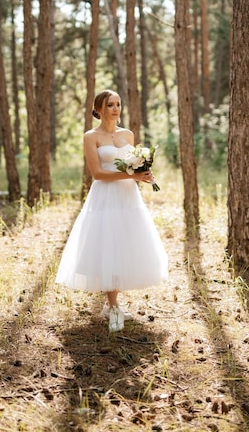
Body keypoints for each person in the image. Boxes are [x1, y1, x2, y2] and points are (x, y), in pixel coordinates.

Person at [55, 89, 168, 332]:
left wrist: (144, 175)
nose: (115, 109)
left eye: (118, 104)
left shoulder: (128, 134)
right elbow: (97, 173)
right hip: (105, 195)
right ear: (100, 109)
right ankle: (113, 306)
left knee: (125, 244)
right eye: (110, 105)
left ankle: (113, 304)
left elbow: (133, 163)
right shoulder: (91, 136)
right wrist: (131, 174)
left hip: (128, 196)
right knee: (108, 243)